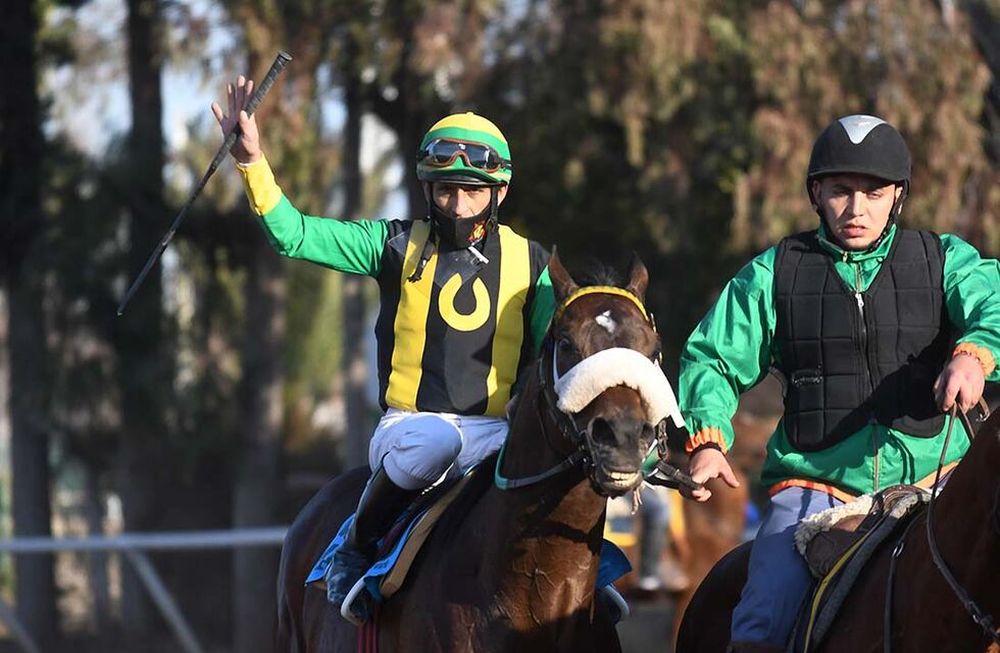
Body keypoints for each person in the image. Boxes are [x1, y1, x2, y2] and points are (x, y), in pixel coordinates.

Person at [212, 77, 554, 620]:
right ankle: (355, 546)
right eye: (445, 190)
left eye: (471, 190)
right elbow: (295, 234)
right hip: (411, 429)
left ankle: (589, 579)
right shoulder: (392, 243)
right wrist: (252, 162)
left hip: (496, 436)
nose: (458, 205)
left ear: (499, 193)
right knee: (436, 442)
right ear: (427, 190)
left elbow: (555, 353)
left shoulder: (534, 264)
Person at [675, 114, 1000, 652]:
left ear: (897, 196)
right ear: (815, 193)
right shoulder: (772, 274)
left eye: (874, 193)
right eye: (841, 192)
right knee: (760, 624)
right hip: (815, 491)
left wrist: (974, 355)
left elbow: (994, 304)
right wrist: (708, 440)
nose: (856, 209)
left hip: (941, 481)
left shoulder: (946, 260)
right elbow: (711, 358)